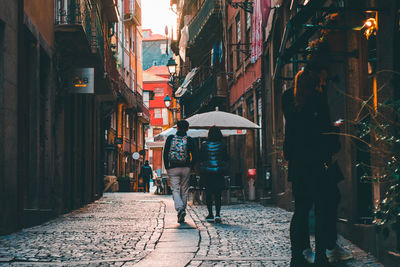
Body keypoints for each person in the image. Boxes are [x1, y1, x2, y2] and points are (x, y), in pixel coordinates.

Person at [283, 67, 342, 267]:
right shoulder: (317, 100)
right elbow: (324, 133)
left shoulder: (288, 101)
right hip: (317, 165)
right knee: (321, 211)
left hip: (298, 166)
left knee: (300, 211)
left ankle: (296, 256)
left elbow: (290, 134)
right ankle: (321, 255)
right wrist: (335, 130)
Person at [163, 120, 198, 223]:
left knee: (175, 189)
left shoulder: (170, 138)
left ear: (176, 128)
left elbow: (165, 153)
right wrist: (191, 166)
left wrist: (167, 166)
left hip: (173, 167)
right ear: (187, 128)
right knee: (184, 189)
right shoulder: (190, 139)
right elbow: (195, 155)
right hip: (185, 167)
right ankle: (182, 209)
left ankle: (180, 209)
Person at [199, 126, 229, 223]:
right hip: (218, 172)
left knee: (208, 193)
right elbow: (226, 157)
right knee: (218, 194)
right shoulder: (222, 145)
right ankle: (218, 214)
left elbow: (202, 158)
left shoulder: (204, 145)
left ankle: (210, 214)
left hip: (207, 172)